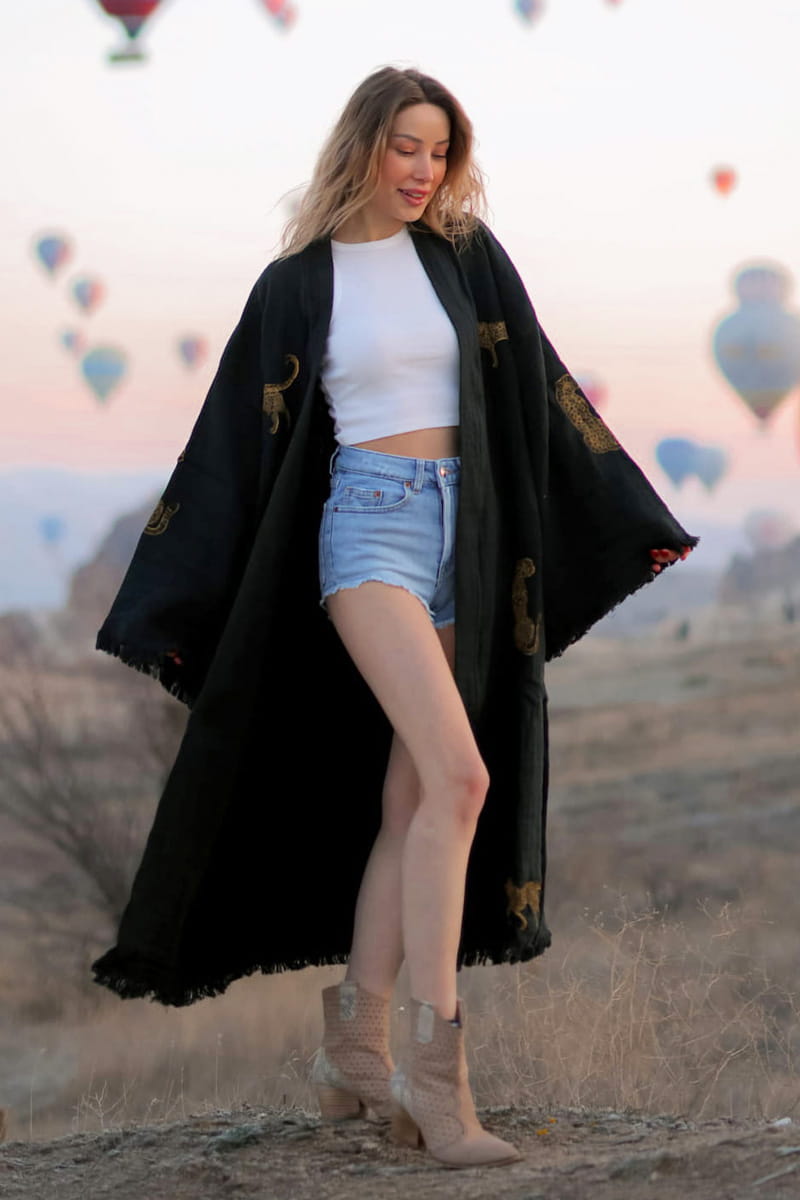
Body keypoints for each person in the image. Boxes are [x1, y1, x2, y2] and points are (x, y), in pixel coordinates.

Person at [91, 67, 695, 1169]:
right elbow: (230, 441)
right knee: (462, 781)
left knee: (413, 794)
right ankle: (437, 1078)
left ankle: (352, 1050)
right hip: (366, 531)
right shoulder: (296, 284)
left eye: (438, 151)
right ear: (362, 147)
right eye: (404, 147)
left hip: (466, 536)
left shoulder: (464, 260)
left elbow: (541, 396)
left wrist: (608, 517)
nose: (421, 170)